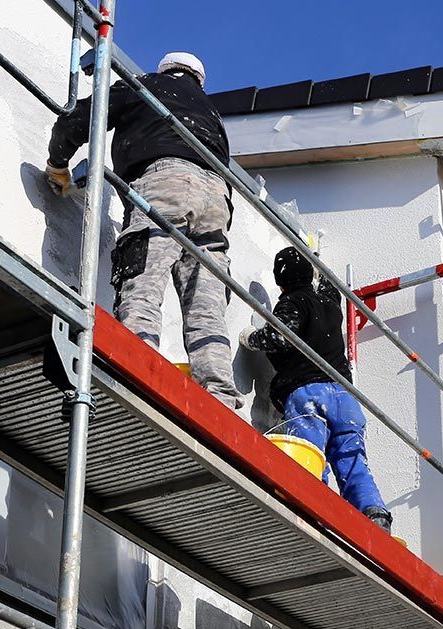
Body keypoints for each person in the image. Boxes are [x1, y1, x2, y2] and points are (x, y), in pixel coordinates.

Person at [45, 52, 241, 409]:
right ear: (199, 80)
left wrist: (57, 161)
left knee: (144, 280)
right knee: (206, 302)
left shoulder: (144, 86)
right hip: (218, 198)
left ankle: (137, 366)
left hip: (166, 181)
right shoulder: (211, 114)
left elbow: (82, 118)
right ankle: (220, 394)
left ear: (164, 70)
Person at [240, 247, 392, 532]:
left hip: (310, 394)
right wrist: (318, 265)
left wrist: (252, 338)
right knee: (351, 457)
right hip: (344, 397)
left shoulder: (292, 301)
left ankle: (316, 511)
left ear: (279, 278)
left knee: (312, 454)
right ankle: (374, 513)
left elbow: (279, 335)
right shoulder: (330, 305)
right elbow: (330, 288)